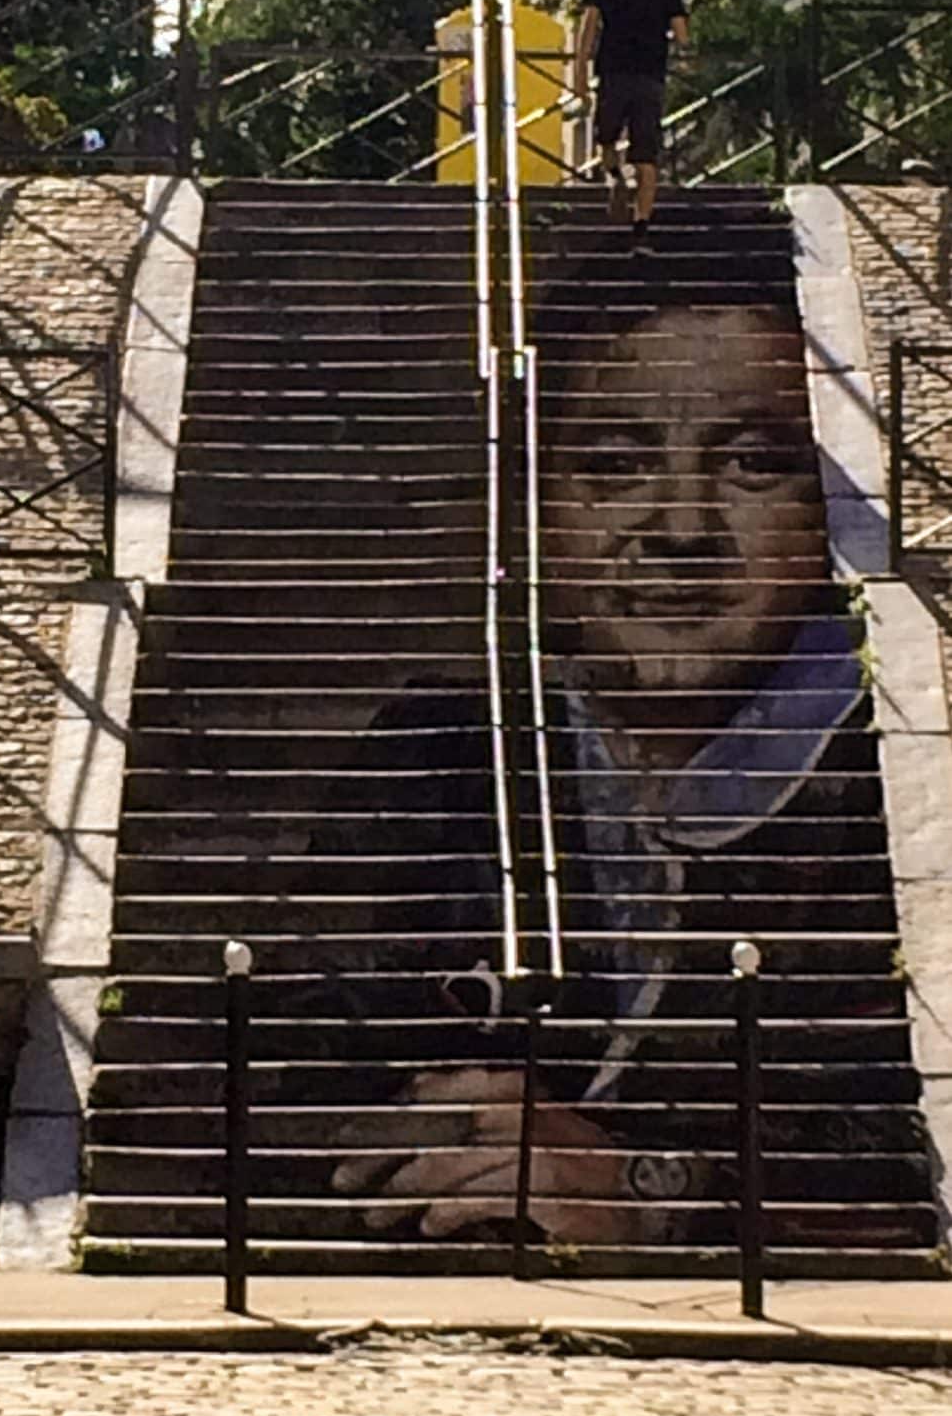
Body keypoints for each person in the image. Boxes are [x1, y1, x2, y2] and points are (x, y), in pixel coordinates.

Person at [329, 271, 901, 1250]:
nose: (681, 529)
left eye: (753, 463)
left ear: (828, 511)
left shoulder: (880, 789)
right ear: (535, 504)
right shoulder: (429, 755)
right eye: (615, 464)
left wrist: (653, 1188)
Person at [572, 0, 689, 251]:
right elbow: (682, 35)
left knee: (606, 138)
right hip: (649, 77)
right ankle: (641, 229)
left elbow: (587, 31)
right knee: (646, 157)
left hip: (613, 74)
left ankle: (615, 177)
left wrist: (580, 75)